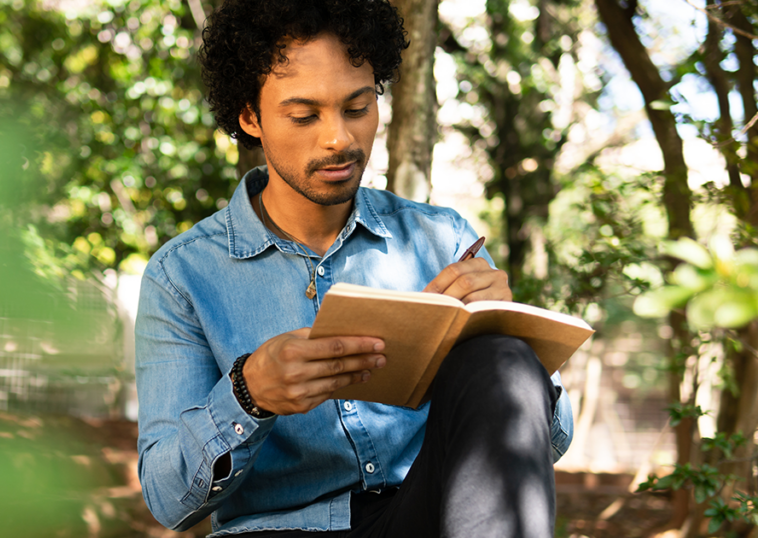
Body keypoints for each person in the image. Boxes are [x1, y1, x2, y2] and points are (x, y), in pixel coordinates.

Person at [134, 1, 574, 536]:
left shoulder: (444, 239)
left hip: (432, 515)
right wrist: (249, 395)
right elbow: (166, 501)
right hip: (281, 529)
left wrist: (510, 335)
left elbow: (552, 441)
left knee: (502, 354)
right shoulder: (182, 276)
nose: (339, 138)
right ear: (250, 117)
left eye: (358, 107)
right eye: (304, 116)